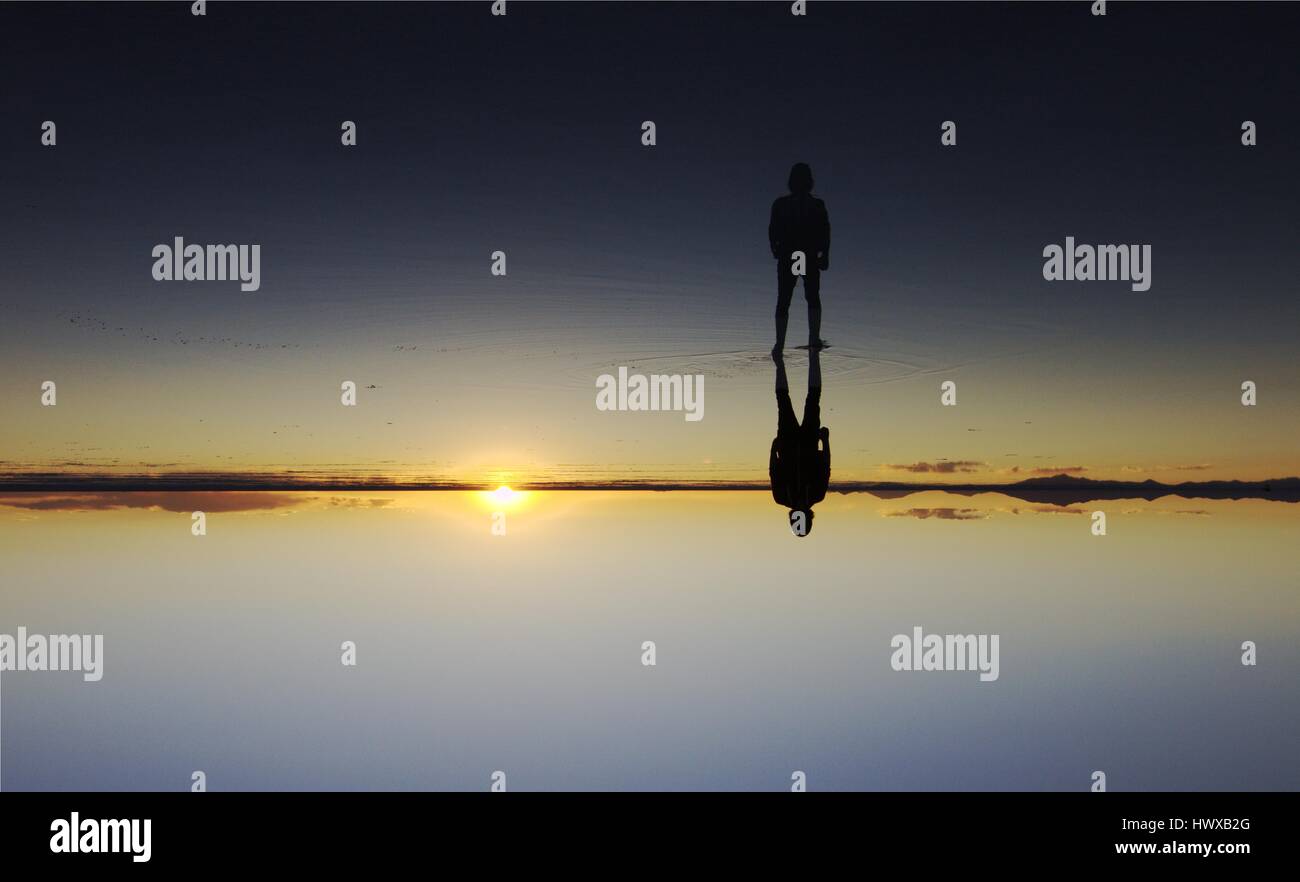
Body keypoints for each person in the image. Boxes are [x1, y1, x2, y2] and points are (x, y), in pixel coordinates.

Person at [768, 162, 830, 355]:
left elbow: (772, 230)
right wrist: (824, 254)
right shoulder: (816, 205)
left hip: (789, 256)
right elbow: (825, 231)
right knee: (812, 297)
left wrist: (775, 249)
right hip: (807, 256)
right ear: (810, 182)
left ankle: (779, 344)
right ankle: (813, 338)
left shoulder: (781, 204)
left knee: (784, 299)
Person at [769, 349, 830, 536]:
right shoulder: (817, 495)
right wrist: (825, 441)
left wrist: (773, 449)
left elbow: (773, 471)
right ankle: (814, 355)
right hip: (809, 441)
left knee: (783, 401)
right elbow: (825, 467)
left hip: (787, 443)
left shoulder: (781, 498)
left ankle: (779, 362)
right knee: (813, 399)